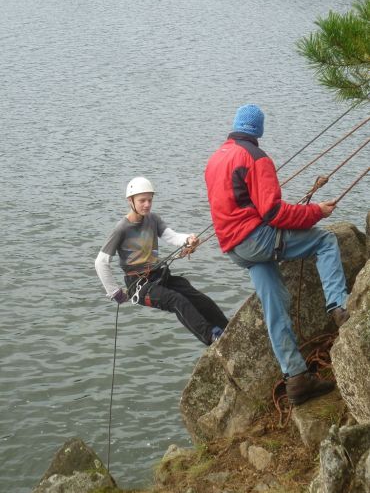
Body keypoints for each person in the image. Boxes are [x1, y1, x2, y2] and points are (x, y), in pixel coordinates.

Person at [205, 103, 349, 406]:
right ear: (258, 130)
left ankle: (296, 378)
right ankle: (338, 306)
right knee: (325, 241)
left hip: (234, 248)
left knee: (275, 304)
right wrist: (315, 212)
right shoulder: (256, 157)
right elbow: (273, 212)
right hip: (255, 239)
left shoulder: (216, 158)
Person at [95, 176, 228, 346]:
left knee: (195, 296)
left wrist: (189, 239)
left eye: (150, 200)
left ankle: (227, 328)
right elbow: (101, 262)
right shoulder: (122, 228)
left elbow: (171, 236)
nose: (147, 205)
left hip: (160, 275)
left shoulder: (153, 219)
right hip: (139, 285)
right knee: (176, 300)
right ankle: (211, 337)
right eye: (142, 200)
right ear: (130, 201)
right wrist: (115, 293)